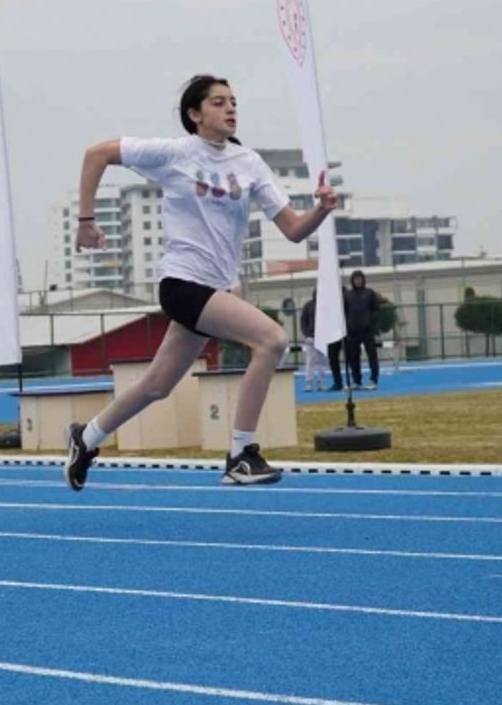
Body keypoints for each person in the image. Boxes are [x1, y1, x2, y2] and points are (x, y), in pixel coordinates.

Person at [65, 74, 338, 489]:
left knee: (157, 386)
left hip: (216, 289)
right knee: (272, 340)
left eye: (233, 102)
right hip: (181, 283)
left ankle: (86, 438)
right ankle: (240, 454)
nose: (230, 109)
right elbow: (95, 154)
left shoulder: (249, 163)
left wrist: (321, 209)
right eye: (218, 102)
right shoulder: (174, 153)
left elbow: (294, 230)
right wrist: (86, 222)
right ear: (194, 114)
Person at [342, 269, 381, 390]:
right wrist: (347, 326)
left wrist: (371, 323)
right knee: (353, 357)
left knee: (372, 356)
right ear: (352, 281)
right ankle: (356, 381)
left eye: (360, 279)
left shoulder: (369, 293)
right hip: (353, 332)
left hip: (367, 331)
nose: (358, 281)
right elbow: (343, 312)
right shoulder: (347, 295)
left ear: (363, 280)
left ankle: (373, 380)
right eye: (355, 279)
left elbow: (376, 310)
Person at [298, 287, 330, 392]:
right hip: (311, 337)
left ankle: (321, 382)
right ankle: (309, 383)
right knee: (310, 361)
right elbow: (303, 321)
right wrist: (306, 334)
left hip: (323, 337)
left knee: (322, 362)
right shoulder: (308, 306)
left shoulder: (326, 306)